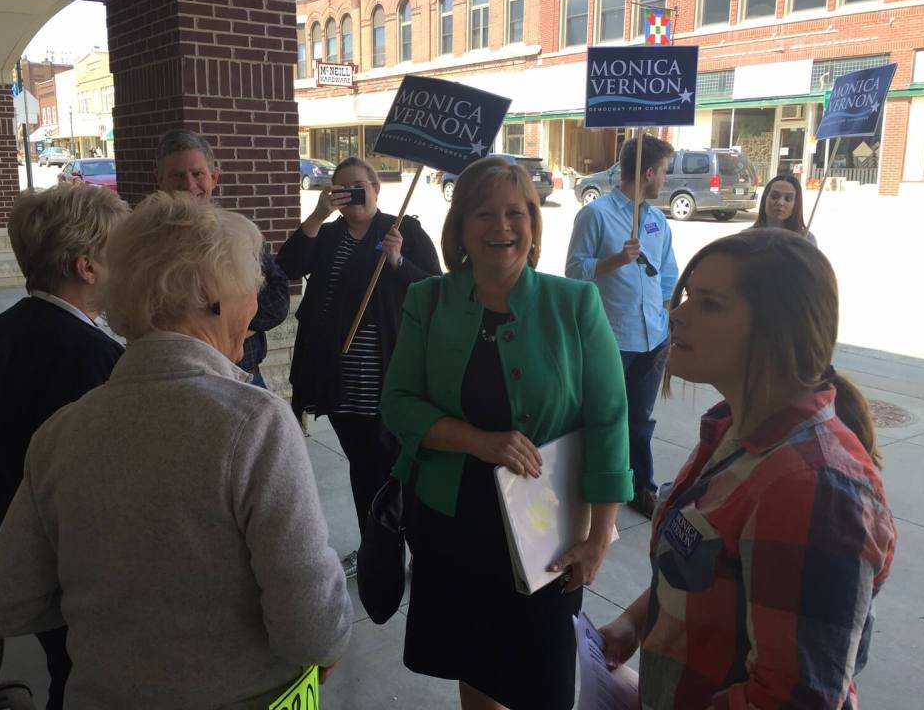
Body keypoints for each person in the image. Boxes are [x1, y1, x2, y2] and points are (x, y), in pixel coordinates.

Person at [0, 192, 352, 709]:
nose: (256, 306)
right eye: (252, 288)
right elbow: (311, 630)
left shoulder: (61, 431)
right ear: (213, 294)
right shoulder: (255, 423)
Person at [599, 229, 896, 709]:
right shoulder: (730, 430)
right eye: (689, 296)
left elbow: (791, 699)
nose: (676, 314)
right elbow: (699, 573)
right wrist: (636, 621)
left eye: (710, 304)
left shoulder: (812, 487)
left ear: (779, 330)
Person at [380, 156, 632, 710]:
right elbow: (396, 404)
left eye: (516, 213)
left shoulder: (575, 304)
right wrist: (479, 440)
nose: (502, 227)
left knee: (542, 676)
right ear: (461, 228)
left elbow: (609, 420)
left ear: (534, 224)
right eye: (484, 213)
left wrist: (599, 536)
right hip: (452, 523)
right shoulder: (428, 300)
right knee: (475, 666)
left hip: (547, 531)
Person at [0, 183, 130, 709]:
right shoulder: (90, 356)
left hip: (1, 529)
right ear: (87, 267)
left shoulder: (7, 326)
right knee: (83, 673)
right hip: (56, 555)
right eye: (118, 255)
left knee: (65, 661)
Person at [277, 156, 441, 577]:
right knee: (361, 463)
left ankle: (406, 541)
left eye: (359, 186)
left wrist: (399, 261)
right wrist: (317, 214)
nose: (352, 194)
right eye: (342, 187)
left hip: (390, 372)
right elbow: (289, 267)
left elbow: (436, 291)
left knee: (393, 464)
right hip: (339, 376)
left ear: (376, 188)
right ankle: (378, 546)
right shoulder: (329, 234)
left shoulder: (402, 230)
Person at [565, 134, 679, 519]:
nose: (665, 180)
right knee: (604, 416)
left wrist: (665, 313)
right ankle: (595, 486)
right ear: (648, 173)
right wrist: (615, 260)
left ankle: (640, 486)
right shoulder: (595, 215)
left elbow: (668, 272)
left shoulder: (658, 220)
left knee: (640, 420)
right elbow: (574, 273)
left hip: (654, 338)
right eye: (663, 172)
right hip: (612, 338)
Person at [156, 129, 290, 388]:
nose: (189, 184)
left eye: (197, 174)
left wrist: (217, 324)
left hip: (247, 375)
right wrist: (234, 324)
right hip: (182, 383)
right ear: (160, 180)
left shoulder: (239, 234)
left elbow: (278, 302)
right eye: (176, 175)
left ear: (213, 177)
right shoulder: (149, 245)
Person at [750, 173, 818, 245]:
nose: (780, 202)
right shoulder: (747, 237)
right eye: (775, 196)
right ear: (765, 199)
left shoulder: (807, 239)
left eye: (788, 199)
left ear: (796, 204)